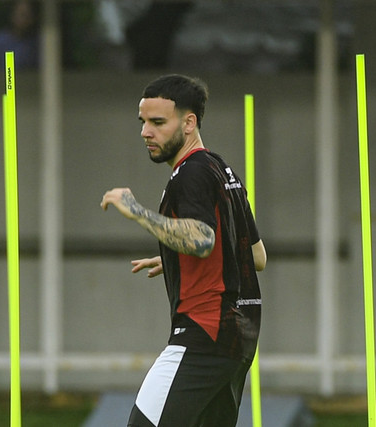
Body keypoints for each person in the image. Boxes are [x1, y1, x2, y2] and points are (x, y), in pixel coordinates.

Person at [101, 74, 266, 427]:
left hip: (202, 335)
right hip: (238, 339)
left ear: (189, 122)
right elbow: (256, 255)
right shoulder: (221, 169)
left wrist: (138, 212)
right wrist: (174, 254)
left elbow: (203, 239)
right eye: (143, 122)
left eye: (158, 122)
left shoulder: (190, 174)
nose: (146, 132)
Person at [0, 0, 39, 70]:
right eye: (22, 15)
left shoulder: (38, 44)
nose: (26, 19)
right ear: (13, 15)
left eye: (29, 16)